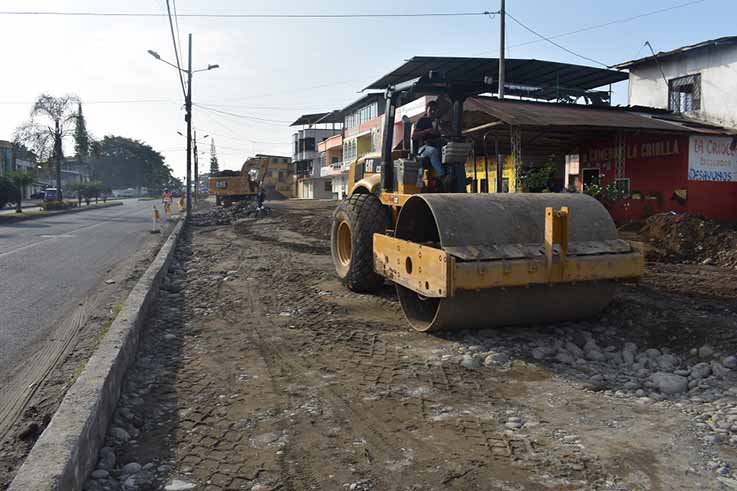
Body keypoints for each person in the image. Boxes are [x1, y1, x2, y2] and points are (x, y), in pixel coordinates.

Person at [412, 100, 445, 180]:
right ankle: (442, 175)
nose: (433, 112)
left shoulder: (440, 122)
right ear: (426, 110)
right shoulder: (422, 121)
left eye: (435, 110)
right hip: (423, 148)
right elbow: (414, 136)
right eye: (431, 110)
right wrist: (427, 131)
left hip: (438, 146)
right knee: (433, 151)